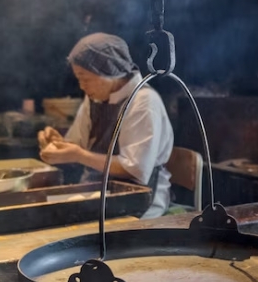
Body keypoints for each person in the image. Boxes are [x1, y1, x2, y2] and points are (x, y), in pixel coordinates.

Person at [38, 33, 174, 218]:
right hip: (99, 193)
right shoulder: (95, 98)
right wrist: (58, 143)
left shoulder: (143, 102)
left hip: (140, 201)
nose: (82, 86)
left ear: (109, 71)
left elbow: (135, 170)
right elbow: (77, 145)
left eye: (85, 78)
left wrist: (78, 155)